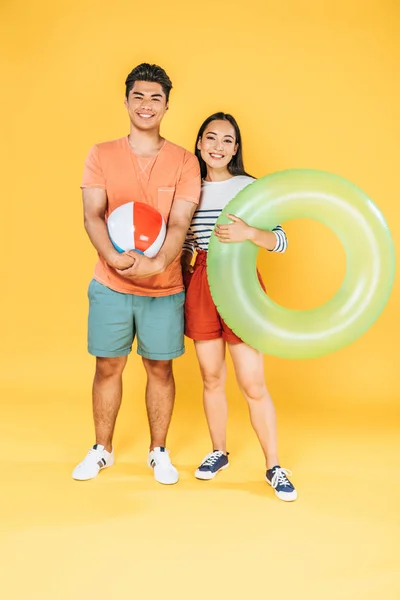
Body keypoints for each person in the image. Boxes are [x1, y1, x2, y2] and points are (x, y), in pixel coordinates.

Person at [73, 63, 201, 485]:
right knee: (108, 366)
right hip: (111, 283)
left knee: (160, 369)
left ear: (167, 105)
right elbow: (93, 214)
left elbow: (180, 223)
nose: (147, 105)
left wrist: (159, 262)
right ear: (126, 100)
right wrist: (112, 256)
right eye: (139, 96)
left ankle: (158, 452)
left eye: (156, 98)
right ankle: (102, 449)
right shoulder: (101, 154)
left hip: (164, 289)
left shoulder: (185, 161)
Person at [182, 112, 297, 501]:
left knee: (252, 381)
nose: (218, 146)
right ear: (199, 143)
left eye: (227, 140)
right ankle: (218, 452)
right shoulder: (189, 187)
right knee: (211, 376)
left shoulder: (251, 187)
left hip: (242, 284)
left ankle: (274, 466)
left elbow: (280, 241)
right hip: (201, 282)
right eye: (210, 138)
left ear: (236, 148)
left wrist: (249, 232)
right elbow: (183, 244)